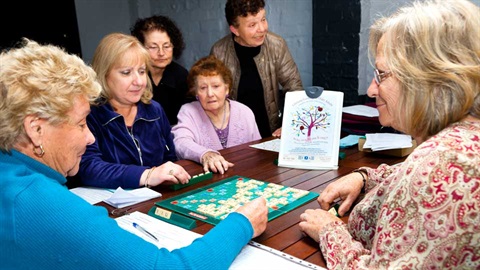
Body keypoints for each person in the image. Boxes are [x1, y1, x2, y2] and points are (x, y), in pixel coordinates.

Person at [0, 38, 268, 269]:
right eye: (81, 124)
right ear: (35, 129)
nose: (90, 136)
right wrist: (242, 223)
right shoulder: (38, 201)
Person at [298, 0, 480, 269]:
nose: (371, 90)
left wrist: (329, 231)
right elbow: (408, 173)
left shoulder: (443, 164)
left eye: (381, 75)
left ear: (426, 79)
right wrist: (364, 177)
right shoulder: (458, 139)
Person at [77, 33, 190, 189]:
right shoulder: (89, 115)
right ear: (104, 75)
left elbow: (170, 158)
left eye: (142, 71)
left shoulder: (155, 110)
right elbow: (88, 168)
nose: (138, 81)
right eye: (126, 72)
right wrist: (147, 175)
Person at [210, 0, 303, 138]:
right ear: (235, 30)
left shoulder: (276, 45)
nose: (262, 28)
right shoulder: (219, 51)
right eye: (252, 25)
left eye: (263, 20)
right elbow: (212, 96)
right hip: (234, 138)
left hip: (270, 133)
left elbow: (294, 86)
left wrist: (291, 123)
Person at [172, 55, 261, 174]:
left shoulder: (244, 112)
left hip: (244, 177)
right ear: (196, 92)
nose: (210, 93)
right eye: (203, 88)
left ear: (227, 88)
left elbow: (258, 151)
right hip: (206, 183)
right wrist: (205, 154)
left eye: (216, 86)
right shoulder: (188, 111)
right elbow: (180, 143)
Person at [131, 15, 190, 126]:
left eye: (166, 46)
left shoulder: (181, 75)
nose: (161, 53)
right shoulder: (133, 78)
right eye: (153, 47)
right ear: (140, 47)